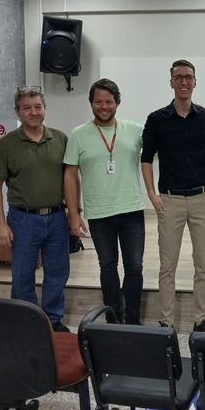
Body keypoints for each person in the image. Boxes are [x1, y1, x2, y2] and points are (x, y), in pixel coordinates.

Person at [141, 59, 205, 332]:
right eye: (178, 77)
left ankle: (201, 320)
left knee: (203, 265)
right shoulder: (156, 119)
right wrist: (152, 194)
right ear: (171, 82)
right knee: (167, 266)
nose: (183, 82)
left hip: (202, 199)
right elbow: (146, 159)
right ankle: (166, 322)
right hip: (170, 201)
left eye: (188, 77)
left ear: (195, 82)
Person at [0, 85, 71, 332]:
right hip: (23, 220)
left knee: (58, 272)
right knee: (23, 274)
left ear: (44, 108)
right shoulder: (6, 144)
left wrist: (75, 212)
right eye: (27, 108)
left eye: (38, 107)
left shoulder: (60, 139)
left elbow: (71, 178)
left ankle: (53, 320)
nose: (33, 112)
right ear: (17, 111)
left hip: (57, 217)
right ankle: (27, 321)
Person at [63, 78, 145, 325]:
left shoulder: (136, 131)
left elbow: (157, 152)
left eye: (109, 101)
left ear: (117, 103)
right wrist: (74, 214)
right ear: (91, 103)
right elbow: (69, 175)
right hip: (99, 214)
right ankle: (113, 320)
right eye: (98, 101)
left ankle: (133, 320)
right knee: (107, 267)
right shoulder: (78, 135)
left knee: (134, 267)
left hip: (131, 210)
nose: (103, 106)